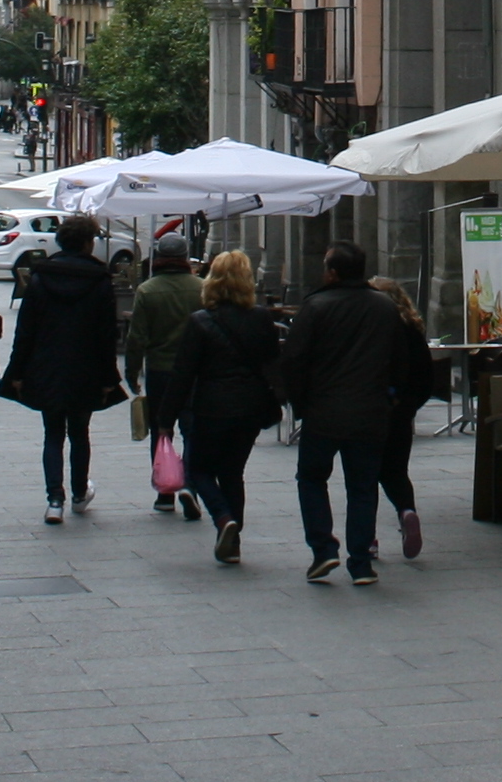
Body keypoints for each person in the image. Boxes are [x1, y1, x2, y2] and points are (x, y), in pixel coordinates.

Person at [278, 242, 409, 584]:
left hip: (323, 412)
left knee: (311, 479)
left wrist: (299, 403)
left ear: (333, 272)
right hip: (370, 411)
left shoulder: (315, 306)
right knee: (363, 487)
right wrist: (391, 399)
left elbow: (293, 360)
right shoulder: (384, 307)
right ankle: (361, 562)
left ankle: (323, 549)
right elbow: (401, 359)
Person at [155, 249, 281, 564]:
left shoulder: (200, 322)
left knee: (198, 470)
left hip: (212, 407)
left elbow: (183, 374)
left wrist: (165, 419)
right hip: (250, 408)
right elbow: (273, 366)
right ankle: (233, 542)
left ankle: (224, 520)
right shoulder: (262, 318)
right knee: (233, 472)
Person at [0, 214, 120, 522]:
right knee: (80, 432)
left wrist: (16, 373)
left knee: (53, 433)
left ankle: (55, 499)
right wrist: (109, 377)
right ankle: (79, 493)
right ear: (86, 243)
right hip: (86, 369)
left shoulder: (40, 278)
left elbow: (25, 332)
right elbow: (107, 335)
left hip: (47, 367)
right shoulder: (99, 281)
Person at [125, 245, 207, 520]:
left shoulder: (147, 290)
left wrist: (132, 370)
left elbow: (137, 337)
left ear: (159, 257)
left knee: (162, 430)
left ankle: (164, 492)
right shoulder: (202, 287)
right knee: (192, 429)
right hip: (195, 370)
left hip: (160, 370)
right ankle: (191, 486)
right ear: (185, 257)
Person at [369, 276, 438, 560]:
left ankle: (368, 538)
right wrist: (408, 407)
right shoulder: (412, 328)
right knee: (396, 471)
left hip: (371, 410)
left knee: (365, 476)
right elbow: (426, 377)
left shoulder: (372, 329)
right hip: (400, 414)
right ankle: (406, 511)